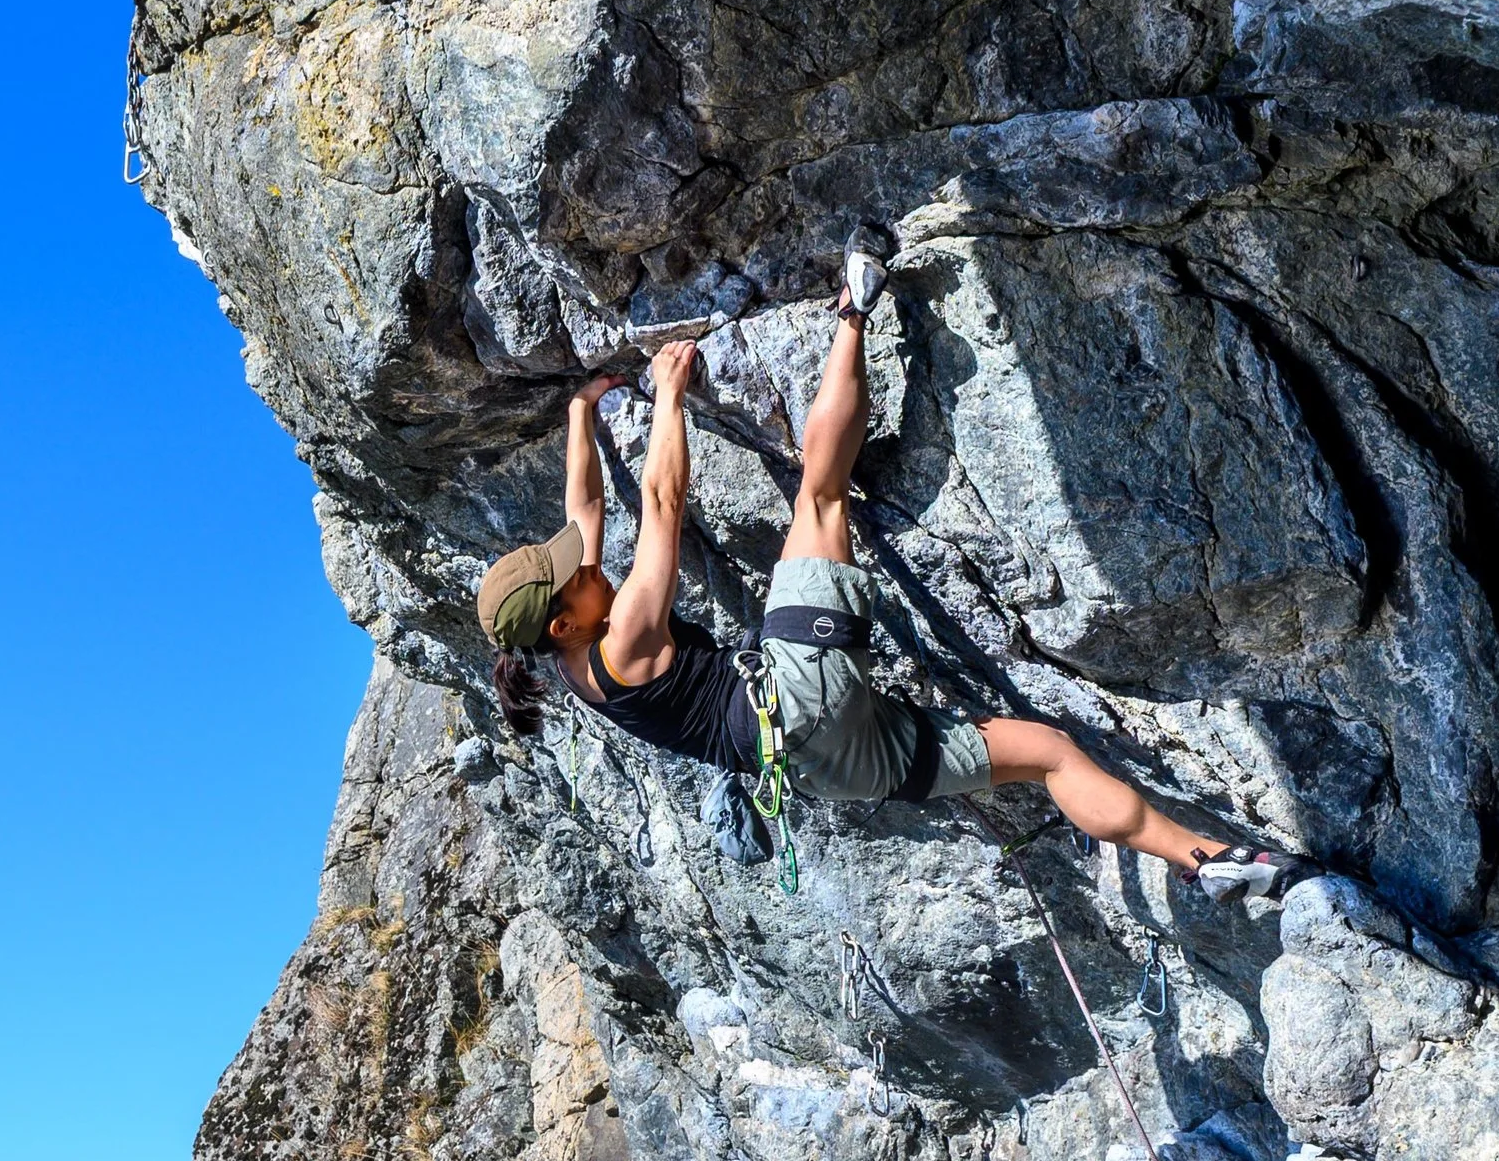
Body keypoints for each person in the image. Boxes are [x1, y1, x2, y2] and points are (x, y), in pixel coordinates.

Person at [478, 235, 1308, 901]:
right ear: (565, 620)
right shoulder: (623, 638)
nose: (587, 565)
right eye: (571, 574)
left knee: (1051, 752)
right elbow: (660, 504)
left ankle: (1197, 856)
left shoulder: (577, 652)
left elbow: (585, 513)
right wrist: (666, 393)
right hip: (796, 693)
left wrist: (581, 412)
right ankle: (857, 302)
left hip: (824, 767)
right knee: (821, 501)